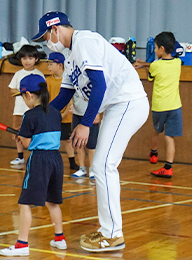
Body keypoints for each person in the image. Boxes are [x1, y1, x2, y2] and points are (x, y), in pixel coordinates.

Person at [32, 11, 149, 252]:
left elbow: (100, 84)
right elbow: (65, 94)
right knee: (103, 166)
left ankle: (114, 234)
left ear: (55, 29)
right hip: (117, 107)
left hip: (128, 103)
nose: (47, 43)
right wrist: (42, 116)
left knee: (104, 165)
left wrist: (85, 123)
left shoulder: (85, 41)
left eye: (46, 37)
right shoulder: (69, 53)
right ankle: (108, 230)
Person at [0, 74, 66, 257]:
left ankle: (22, 244)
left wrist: (21, 136)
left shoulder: (29, 115)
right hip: (56, 159)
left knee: (25, 203)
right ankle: (60, 239)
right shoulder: (54, 112)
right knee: (52, 201)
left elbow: (27, 144)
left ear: (28, 94)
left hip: (39, 160)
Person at [134, 32, 182, 178]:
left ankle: (154, 153)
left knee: (156, 131)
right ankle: (168, 167)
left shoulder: (156, 66)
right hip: (175, 107)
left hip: (160, 107)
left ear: (161, 48)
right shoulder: (178, 63)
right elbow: (159, 64)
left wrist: (144, 65)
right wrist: (145, 63)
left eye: (155, 48)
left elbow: (150, 77)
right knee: (170, 137)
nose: (154, 50)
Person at [8, 45, 44, 165]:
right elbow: (12, 89)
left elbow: (42, 91)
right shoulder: (18, 74)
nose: (27, 61)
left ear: (36, 59)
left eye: (30, 58)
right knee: (18, 134)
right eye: (24, 58)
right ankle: (20, 156)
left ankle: (34, 155)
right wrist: (23, 93)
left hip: (33, 110)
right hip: (19, 110)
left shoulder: (39, 74)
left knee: (33, 133)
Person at [45, 52, 79, 170]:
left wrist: (68, 111)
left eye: (51, 64)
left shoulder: (68, 80)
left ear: (60, 65)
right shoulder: (48, 81)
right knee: (52, 140)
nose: (48, 67)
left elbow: (72, 98)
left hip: (67, 117)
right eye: (48, 64)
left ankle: (72, 162)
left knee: (68, 140)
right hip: (53, 115)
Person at [70, 93, 100, 179]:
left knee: (92, 144)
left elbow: (98, 97)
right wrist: (71, 105)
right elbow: (70, 96)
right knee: (78, 142)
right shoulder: (74, 82)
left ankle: (92, 169)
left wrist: (97, 113)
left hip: (90, 115)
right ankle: (82, 168)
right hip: (77, 114)